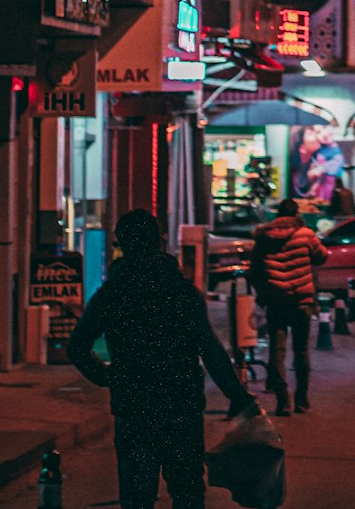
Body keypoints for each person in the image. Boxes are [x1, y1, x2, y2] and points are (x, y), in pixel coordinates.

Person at [68, 209, 256, 509]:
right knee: (187, 492)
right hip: (180, 406)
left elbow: (76, 347)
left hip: (134, 407)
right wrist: (237, 395)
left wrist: (107, 377)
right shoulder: (181, 292)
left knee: (137, 495)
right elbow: (210, 349)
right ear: (159, 243)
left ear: (122, 245)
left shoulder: (113, 293)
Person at [249, 198, 327, 416]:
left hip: (276, 301)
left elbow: (254, 270)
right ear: (295, 215)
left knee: (277, 350)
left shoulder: (263, 238)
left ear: (278, 214)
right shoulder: (306, 234)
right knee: (301, 350)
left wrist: (263, 294)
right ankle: (302, 399)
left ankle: (283, 401)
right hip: (302, 301)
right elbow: (322, 257)